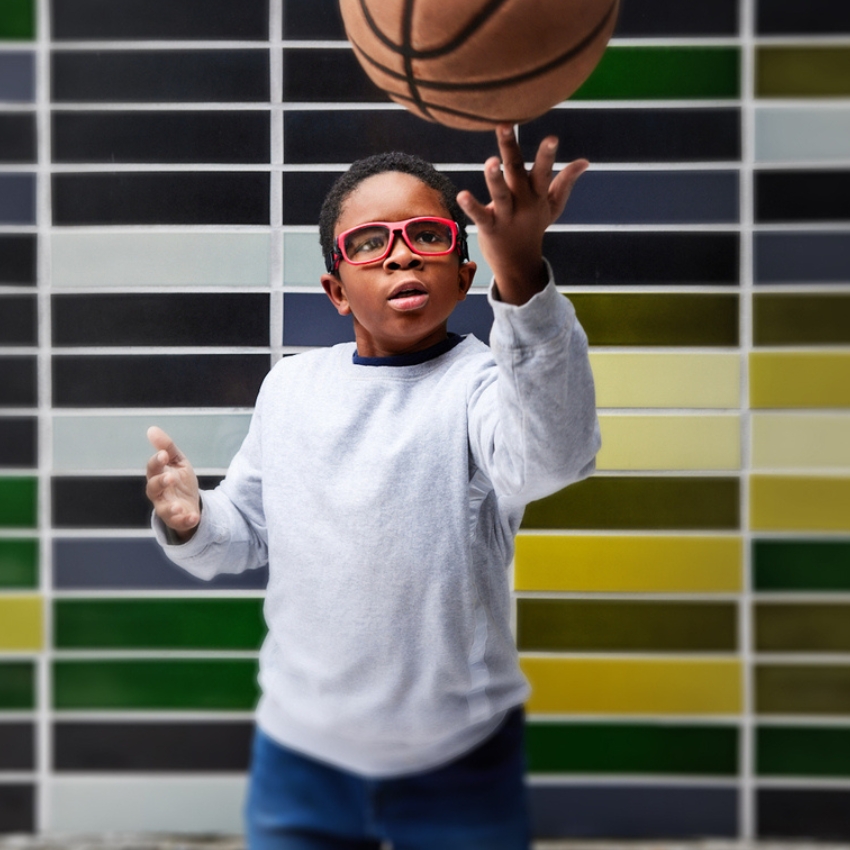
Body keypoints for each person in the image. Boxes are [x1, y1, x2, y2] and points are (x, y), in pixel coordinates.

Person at [145, 124, 601, 850]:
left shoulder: (484, 387)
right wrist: (193, 518)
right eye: (369, 243)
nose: (399, 254)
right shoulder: (293, 387)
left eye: (426, 235)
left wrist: (524, 275)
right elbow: (244, 534)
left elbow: (553, 456)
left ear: (463, 271)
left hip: (457, 756)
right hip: (303, 755)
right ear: (335, 290)